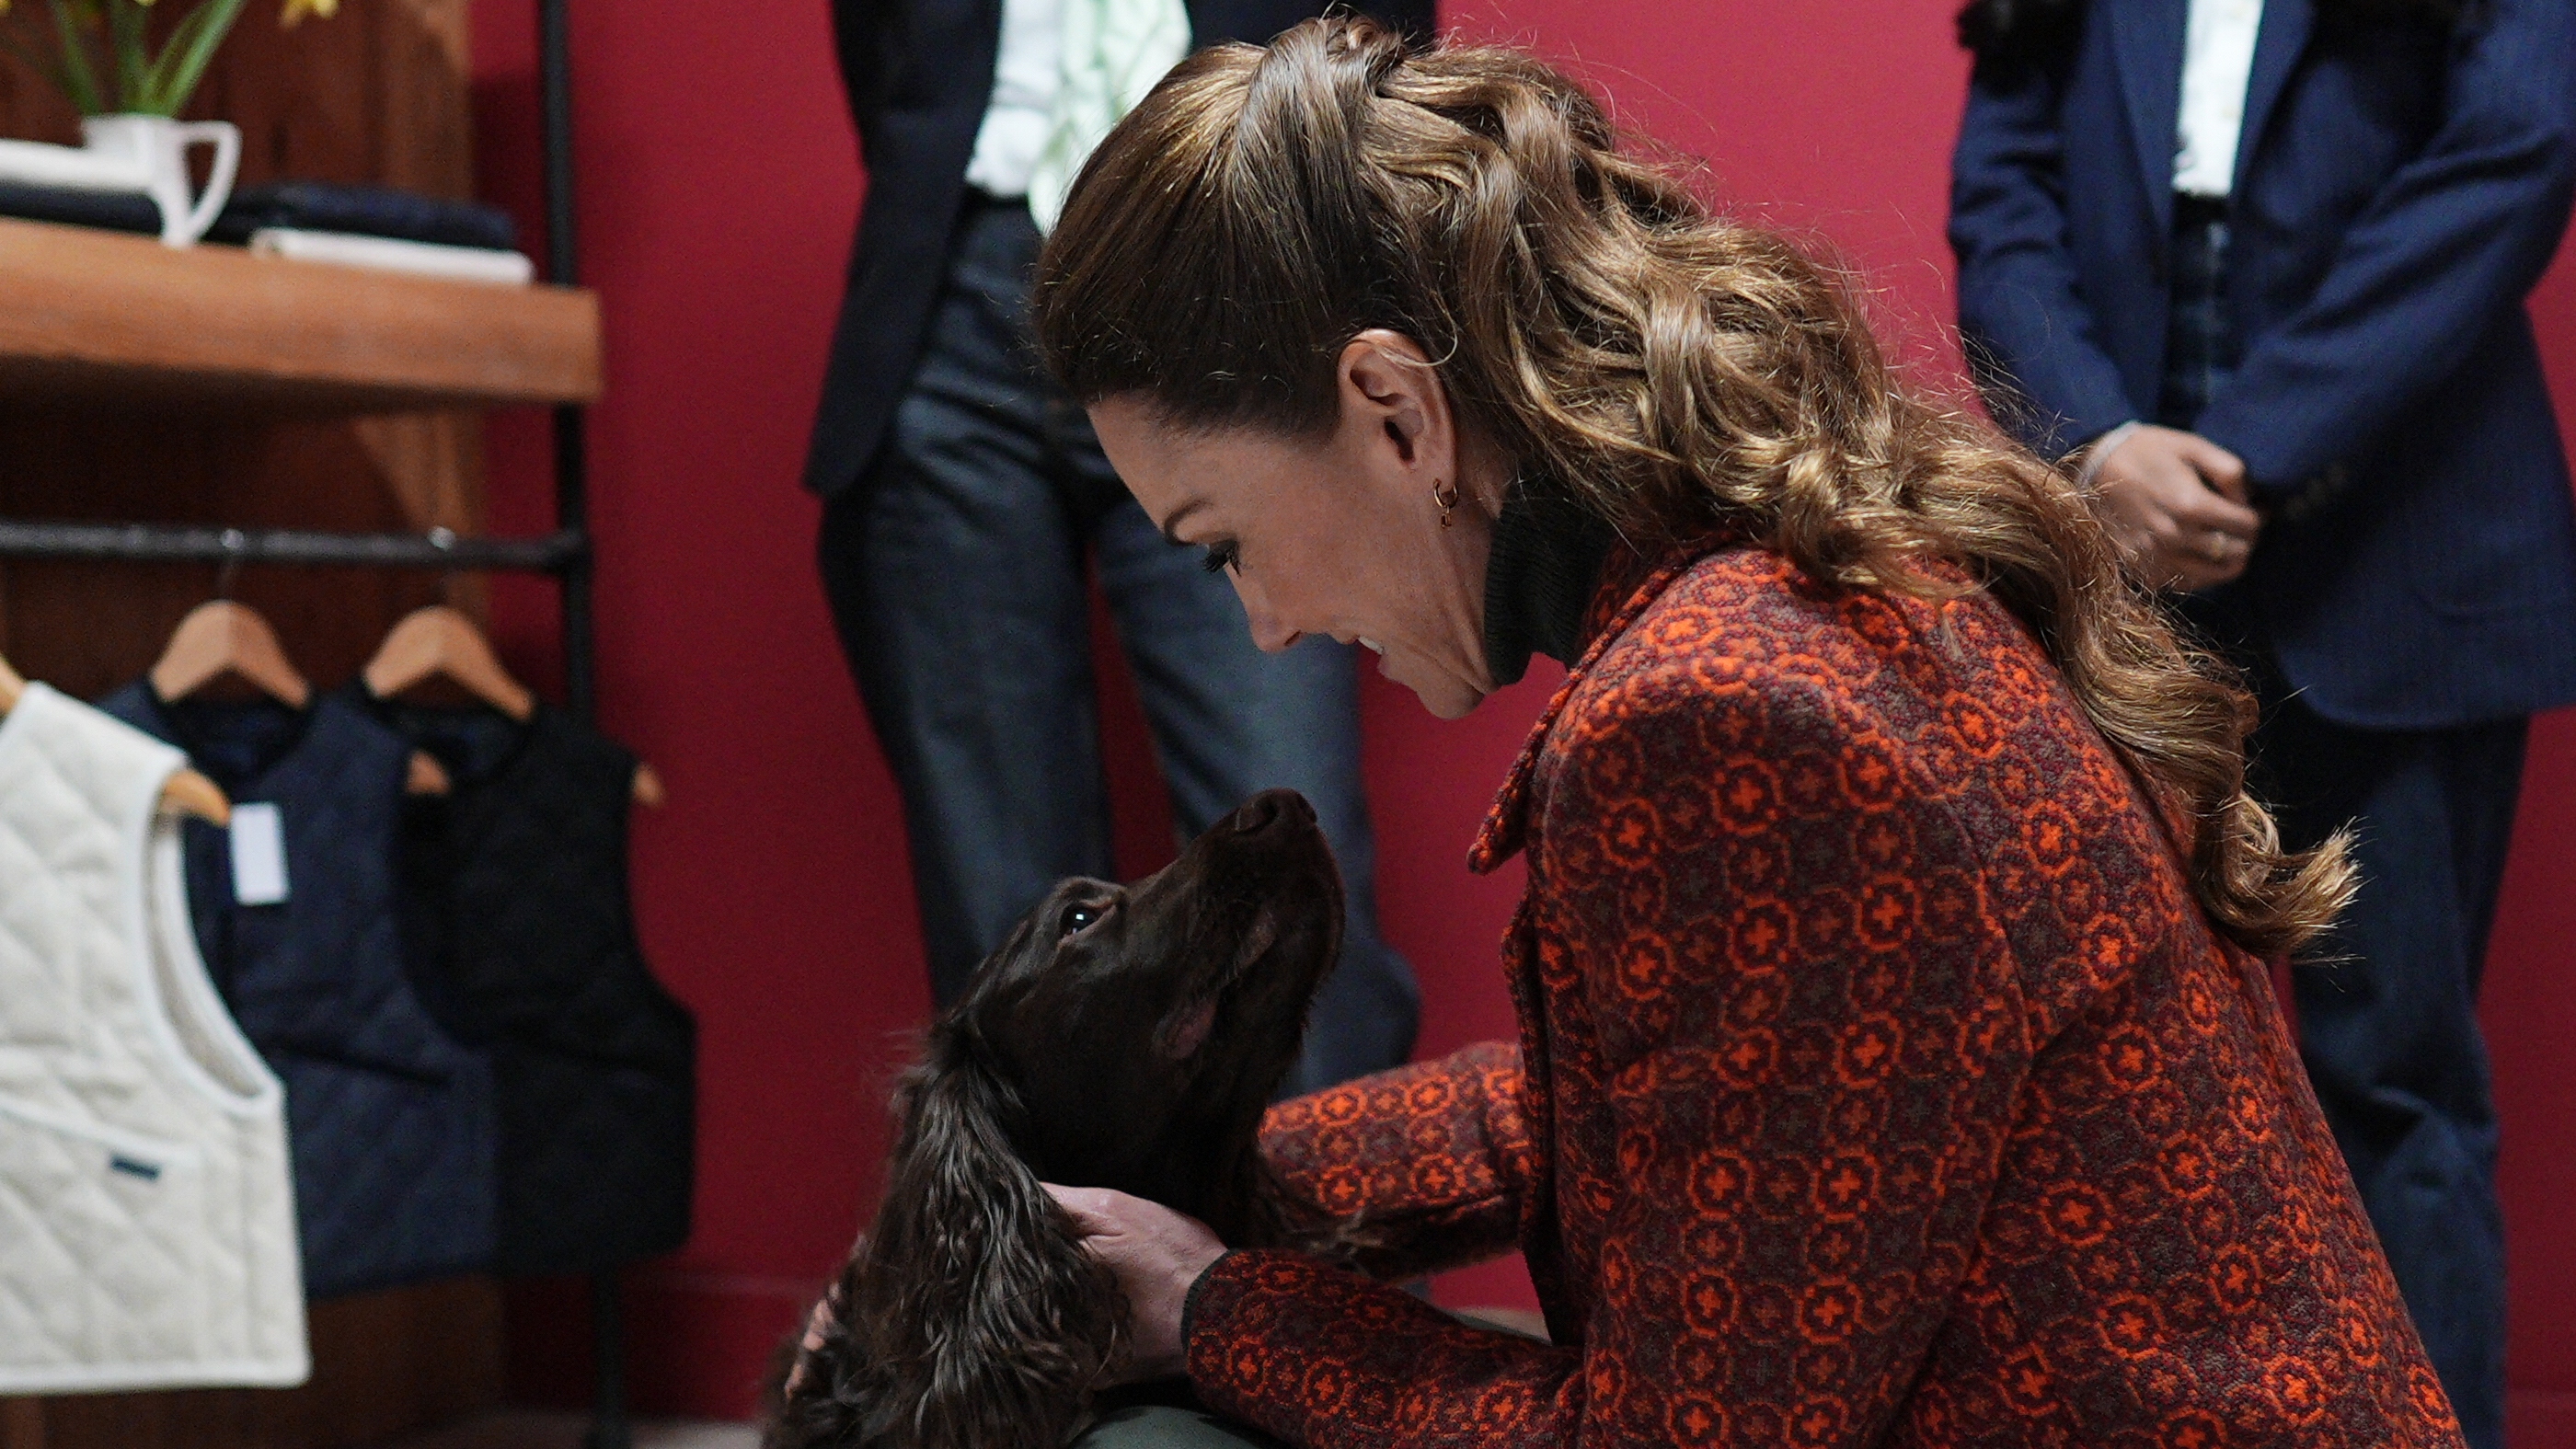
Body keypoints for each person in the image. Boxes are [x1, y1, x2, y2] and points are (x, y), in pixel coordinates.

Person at [1018, 17, 2470, 1447]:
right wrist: (1189, 1193)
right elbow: (1680, 1113)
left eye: (1222, 545)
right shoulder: (1792, 570)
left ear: (1394, 411)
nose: (1262, 622)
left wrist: (1219, 1309)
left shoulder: (1713, 709)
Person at [1947, 4, 2576, 1442]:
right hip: (2121, 579)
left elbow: (2514, 152)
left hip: (2397, 567)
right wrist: (2098, 448)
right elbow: (2002, 187)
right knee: (2105, 1102)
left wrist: (2248, 452)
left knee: (2397, 1094)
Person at [806, 0, 1437, 1095]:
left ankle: (1327, 1264)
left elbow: (1384, 40)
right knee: (1001, 921)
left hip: (1233, 277)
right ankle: (1054, 1268)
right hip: (956, 296)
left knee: (1293, 882)